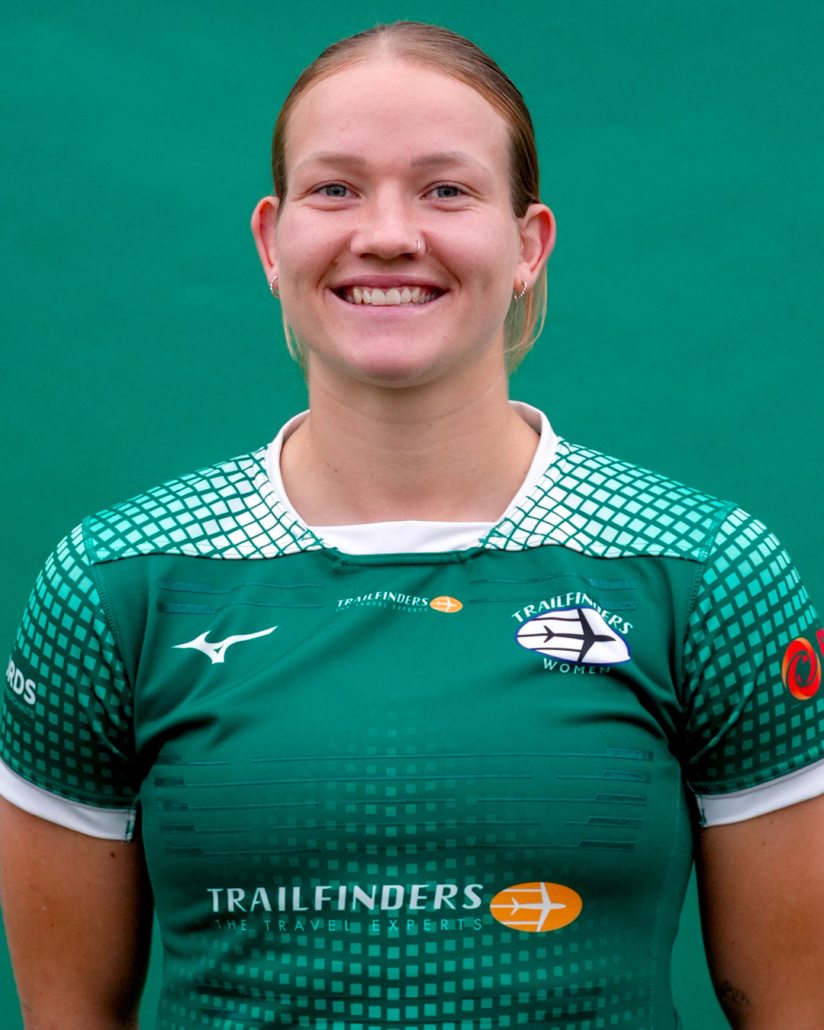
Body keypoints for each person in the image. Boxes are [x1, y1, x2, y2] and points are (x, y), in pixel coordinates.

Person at [2, 20, 824, 1030]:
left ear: (527, 245)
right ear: (271, 242)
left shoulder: (705, 573)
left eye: (444, 189)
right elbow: (68, 1012)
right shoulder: (115, 582)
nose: (387, 234)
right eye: (335, 189)